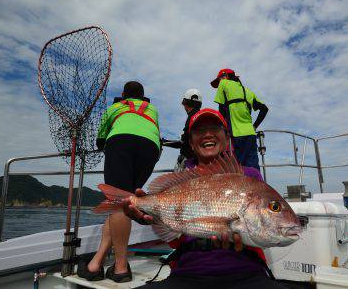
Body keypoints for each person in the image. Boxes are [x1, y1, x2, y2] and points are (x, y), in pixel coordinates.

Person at [125, 108, 287, 289]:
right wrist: (152, 217)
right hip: (189, 271)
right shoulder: (181, 180)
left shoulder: (250, 176)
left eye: (215, 128)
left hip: (246, 270)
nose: (208, 134)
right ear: (191, 144)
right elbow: (174, 239)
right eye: (200, 131)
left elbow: (262, 232)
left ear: (227, 139)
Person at [77, 81, 160, 283]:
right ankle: (95, 264)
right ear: (143, 96)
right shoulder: (152, 109)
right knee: (125, 202)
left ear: (123, 94)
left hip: (121, 143)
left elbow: (101, 138)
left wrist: (103, 141)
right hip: (151, 149)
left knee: (119, 202)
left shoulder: (115, 107)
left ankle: (121, 268)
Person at [210, 68, 268, 171]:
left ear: (225, 76)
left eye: (219, 80)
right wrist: (254, 126)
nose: (219, 83)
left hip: (234, 136)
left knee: (236, 170)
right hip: (250, 135)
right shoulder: (247, 91)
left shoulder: (223, 84)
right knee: (252, 170)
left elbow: (221, 113)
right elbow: (264, 109)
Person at [162, 88, 202, 170]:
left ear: (187, 103)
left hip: (190, 162)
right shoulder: (199, 116)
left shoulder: (192, 117)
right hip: (197, 160)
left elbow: (184, 142)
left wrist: (163, 142)